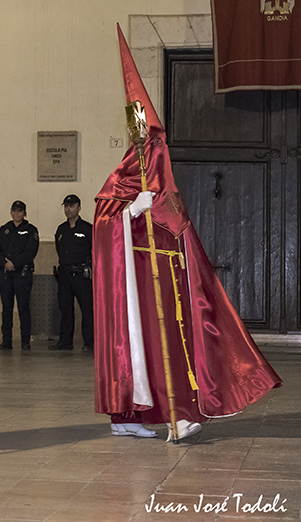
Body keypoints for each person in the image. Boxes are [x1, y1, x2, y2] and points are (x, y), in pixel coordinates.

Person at [93, 26, 281, 441]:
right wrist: (130, 211)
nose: (159, 153)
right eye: (152, 144)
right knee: (140, 349)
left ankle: (169, 413)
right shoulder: (122, 182)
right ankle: (129, 415)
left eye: (161, 145)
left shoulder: (166, 188)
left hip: (168, 286)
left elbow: (180, 231)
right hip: (136, 285)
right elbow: (104, 225)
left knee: (172, 349)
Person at [0, 201, 38, 350]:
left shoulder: (31, 230)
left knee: (23, 308)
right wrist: (4, 263)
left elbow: (31, 251)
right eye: (14, 211)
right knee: (7, 308)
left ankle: (25, 341)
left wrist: (15, 263)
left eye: (20, 211)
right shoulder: (4, 229)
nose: (16, 214)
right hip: (5, 274)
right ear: (11, 212)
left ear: (24, 213)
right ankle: (7, 341)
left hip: (22, 274)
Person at [50, 194, 93, 352]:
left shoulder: (87, 229)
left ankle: (89, 343)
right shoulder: (61, 229)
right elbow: (59, 249)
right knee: (66, 309)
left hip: (82, 275)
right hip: (65, 276)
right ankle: (65, 342)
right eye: (66, 206)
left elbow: (94, 251)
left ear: (79, 207)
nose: (68, 209)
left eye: (72, 206)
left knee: (87, 309)